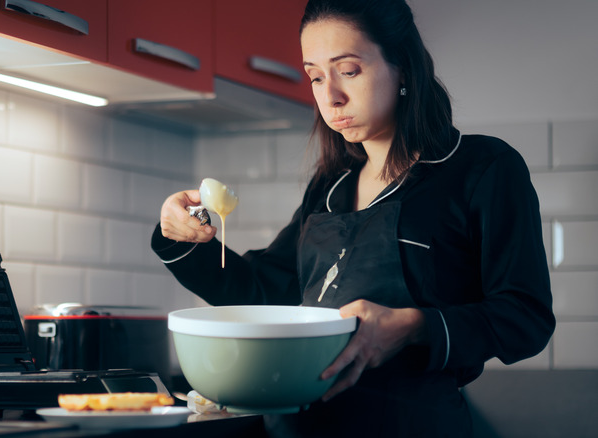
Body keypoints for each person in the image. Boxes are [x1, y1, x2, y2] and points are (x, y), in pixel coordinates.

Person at [151, 0, 555, 436]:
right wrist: (185, 237)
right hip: (297, 428)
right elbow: (266, 293)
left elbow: (524, 317)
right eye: (316, 76)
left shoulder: (481, 168)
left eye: (349, 70)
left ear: (402, 67)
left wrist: (414, 326)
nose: (331, 96)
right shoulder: (329, 185)